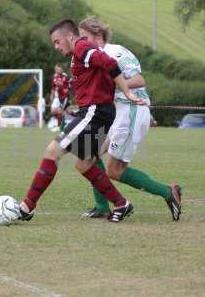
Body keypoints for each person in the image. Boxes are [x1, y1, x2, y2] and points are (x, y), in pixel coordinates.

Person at [17, 19, 145, 223]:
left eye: (57, 41)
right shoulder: (80, 52)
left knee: (52, 151)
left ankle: (27, 207)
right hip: (97, 111)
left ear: (70, 36)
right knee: (84, 164)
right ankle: (121, 204)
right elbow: (99, 74)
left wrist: (127, 92)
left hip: (94, 113)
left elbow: (110, 64)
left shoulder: (82, 47)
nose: (56, 47)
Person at [78, 17, 182, 221]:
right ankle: (101, 206)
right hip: (112, 112)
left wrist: (110, 85)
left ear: (98, 35)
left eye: (84, 37)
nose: (80, 42)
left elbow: (138, 79)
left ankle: (169, 193)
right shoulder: (92, 57)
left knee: (114, 170)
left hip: (130, 111)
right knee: (87, 155)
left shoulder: (116, 53)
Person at [49, 63, 72, 131]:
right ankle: (71, 117)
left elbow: (70, 85)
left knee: (60, 111)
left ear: (62, 69)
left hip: (64, 96)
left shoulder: (66, 76)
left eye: (59, 68)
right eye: (56, 69)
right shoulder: (54, 77)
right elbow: (53, 88)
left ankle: (60, 126)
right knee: (53, 111)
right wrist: (51, 97)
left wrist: (67, 90)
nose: (57, 70)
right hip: (57, 97)